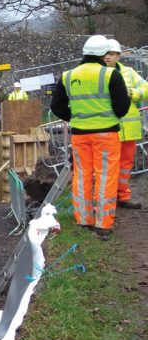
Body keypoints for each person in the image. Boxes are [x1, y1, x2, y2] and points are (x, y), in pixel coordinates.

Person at [50, 35, 130, 239]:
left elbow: (56, 106)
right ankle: (103, 224)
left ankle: (83, 218)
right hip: (106, 135)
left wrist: (76, 117)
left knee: (82, 176)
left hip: (79, 136)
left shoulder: (67, 76)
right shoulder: (110, 74)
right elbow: (121, 108)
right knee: (105, 177)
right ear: (104, 54)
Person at [104, 39, 148, 209]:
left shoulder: (129, 72)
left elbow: (146, 88)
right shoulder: (97, 74)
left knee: (125, 165)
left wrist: (135, 94)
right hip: (107, 128)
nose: (108, 57)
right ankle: (106, 199)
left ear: (118, 56)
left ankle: (122, 196)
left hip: (128, 130)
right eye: (106, 54)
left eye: (112, 54)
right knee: (106, 166)